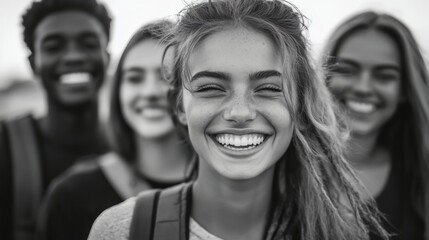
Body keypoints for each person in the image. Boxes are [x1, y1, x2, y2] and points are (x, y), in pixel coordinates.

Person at [88, 1, 388, 240]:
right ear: (179, 105)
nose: (240, 112)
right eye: (211, 88)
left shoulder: (342, 232)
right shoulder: (122, 230)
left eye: (269, 88)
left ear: (299, 104)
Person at [37, 20, 197, 240]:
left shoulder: (231, 187)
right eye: (134, 78)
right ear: (118, 93)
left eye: (166, 77)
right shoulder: (72, 195)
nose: (150, 92)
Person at [0, 0, 111, 239]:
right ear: (33, 64)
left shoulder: (136, 144)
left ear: (107, 57)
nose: (73, 56)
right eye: (53, 47)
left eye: (89, 43)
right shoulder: (5, 146)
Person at [322, 11, 429, 240]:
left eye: (384, 75)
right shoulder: (282, 166)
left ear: (404, 90)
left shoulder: (421, 176)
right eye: (346, 70)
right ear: (323, 77)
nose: (363, 87)